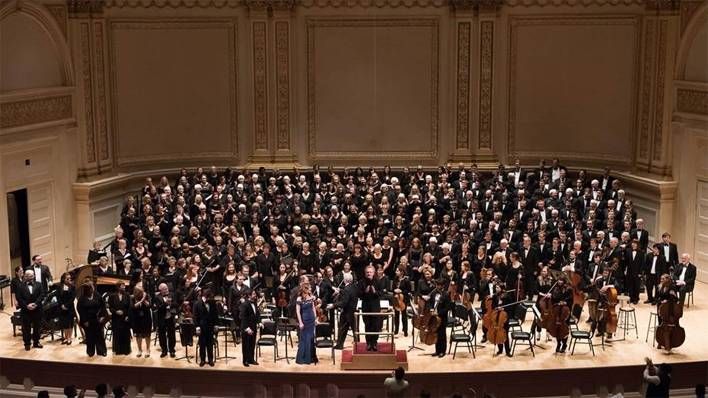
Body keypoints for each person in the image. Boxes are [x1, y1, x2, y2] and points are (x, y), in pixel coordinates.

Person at [15, 269, 44, 350]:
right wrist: (26, 306)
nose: (31, 277)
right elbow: (19, 298)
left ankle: (36, 342)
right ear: (25, 276)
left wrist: (35, 304)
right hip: (26, 310)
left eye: (32, 276)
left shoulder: (39, 284)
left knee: (37, 327)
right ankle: (27, 344)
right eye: (29, 276)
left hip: (37, 309)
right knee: (26, 328)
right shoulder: (20, 286)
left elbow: (42, 295)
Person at [77, 282, 108, 357]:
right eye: (91, 288)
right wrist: (85, 321)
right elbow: (80, 310)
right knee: (90, 336)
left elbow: (103, 306)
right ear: (88, 290)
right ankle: (90, 352)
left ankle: (101, 351)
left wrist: (102, 316)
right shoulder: (82, 299)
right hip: (87, 320)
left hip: (97, 319)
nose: (93, 289)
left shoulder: (97, 295)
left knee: (100, 336)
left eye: (92, 287)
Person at [359, 265, 384, 351]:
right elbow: (359, 294)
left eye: (370, 272)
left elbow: (381, 294)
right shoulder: (361, 282)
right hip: (365, 306)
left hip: (375, 306)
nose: (369, 274)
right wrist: (365, 292)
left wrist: (375, 292)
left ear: (374, 273)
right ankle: (368, 343)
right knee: (367, 324)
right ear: (365, 273)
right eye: (367, 272)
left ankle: (374, 342)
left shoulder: (378, 281)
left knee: (375, 325)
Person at [332, 273, 357, 350]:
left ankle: (339, 345)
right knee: (355, 329)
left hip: (346, 312)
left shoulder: (346, 289)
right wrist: (341, 290)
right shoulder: (354, 287)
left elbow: (344, 303)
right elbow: (348, 293)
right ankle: (357, 344)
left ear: (345, 280)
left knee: (342, 328)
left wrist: (333, 305)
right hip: (353, 311)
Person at [194, 288, 218, 367]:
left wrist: (215, 324)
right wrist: (197, 326)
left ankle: (210, 359)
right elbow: (195, 316)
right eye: (208, 297)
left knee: (210, 344)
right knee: (202, 344)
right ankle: (203, 359)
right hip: (202, 327)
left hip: (210, 327)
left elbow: (215, 315)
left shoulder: (212, 303)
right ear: (204, 296)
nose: (209, 299)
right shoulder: (197, 304)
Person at [295, 283, 318, 364]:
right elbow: (298, 312)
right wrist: (300, 322)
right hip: (304, 320)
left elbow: (313, 308)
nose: (310, 290)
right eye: (309, 288)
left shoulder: (311, 297)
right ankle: (303, 358)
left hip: (311, 320)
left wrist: (315, 318)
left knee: (311, 338)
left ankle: (310, 358)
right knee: (304, 339)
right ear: (305, 289)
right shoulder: (299, 299)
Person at [107, 281, 132, 355]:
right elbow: (110, 307)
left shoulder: (127, 295)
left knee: (126, 334)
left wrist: (127, 315)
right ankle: (118, 350)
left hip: (125, 318)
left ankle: (126, 350)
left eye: (124, 286)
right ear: (118, 287)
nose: (124, 287)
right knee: (117, 334)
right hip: (116, 318)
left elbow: (129, 307)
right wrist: (115, 312)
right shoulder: (112, 296)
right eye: (122, 286)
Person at [155, 282, 178, 358]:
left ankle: (172, 350)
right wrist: (165, 303)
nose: (166, 290)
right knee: (162, 335)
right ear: (160, 290)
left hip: (170, 318)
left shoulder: (172, 294)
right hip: (162, 319)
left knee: (171, 334)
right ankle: (164, 350)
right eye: (164, 289)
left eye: (167, 288)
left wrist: (170, 304)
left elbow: (176, 304)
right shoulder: (157, 297)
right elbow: (158, 308)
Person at [239, 288, 260, 367]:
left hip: (253, 327)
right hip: (246, 328)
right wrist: (247, 328)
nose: (255, 295)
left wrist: (259, 322)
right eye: (254, 294)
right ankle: (245, 361)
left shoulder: (254, 303)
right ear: (249, 295)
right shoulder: (244, 304)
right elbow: (243, 317)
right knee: (246, 345)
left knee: (252, 344)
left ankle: (251, 359)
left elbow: (256, 314)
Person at [131, 285, 153, 358]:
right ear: (136, 292)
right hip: (137, 318)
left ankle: (148, 349)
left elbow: (149, 305)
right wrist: (141, 300)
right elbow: (133, 307)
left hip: (146, 317)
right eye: (139, 292)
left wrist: (144, 299)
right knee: (138, 334)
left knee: (147, 334)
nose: (141, 293)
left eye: (142, 292)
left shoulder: (147, 296)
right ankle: (139, 350)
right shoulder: (132, 297)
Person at [57, 272, 76, 345]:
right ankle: (65, 337)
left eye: (70, 278)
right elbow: (58, 297)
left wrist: (66, 306)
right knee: (64, 323)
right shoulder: (59, 286)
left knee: (70, 323)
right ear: (63, 279)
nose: (69, 280)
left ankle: (69, 338)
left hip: (70, 307)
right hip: (62, 308)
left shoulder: (72, 286)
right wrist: (62, 305)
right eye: (67, 278)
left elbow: (72, 298)